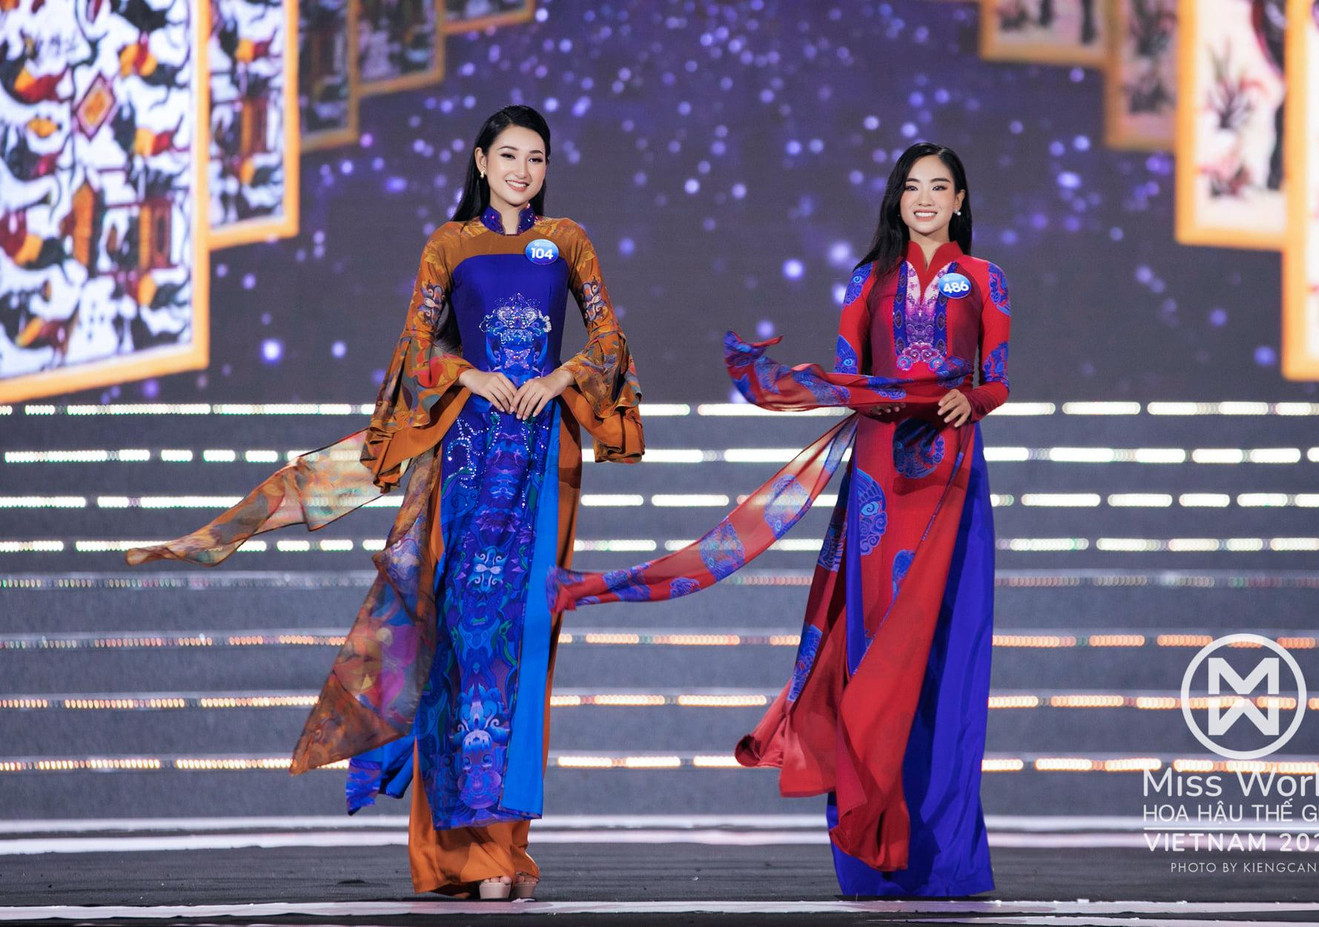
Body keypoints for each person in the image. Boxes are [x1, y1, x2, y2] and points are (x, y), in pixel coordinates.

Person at [128, 105, 644, 900]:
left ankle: (505, 847)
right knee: (460, 643)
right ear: (481, 161)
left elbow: (608, 340)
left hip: (540, 466)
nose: (523, 171)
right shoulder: (449, 244)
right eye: (509, 156)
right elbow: (415, 347)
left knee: (520, 645)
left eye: (536, 158)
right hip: (465, 462)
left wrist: (558, 377)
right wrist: (469, 374)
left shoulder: (566, 240)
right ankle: (461, 854)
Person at [551, 142, 1009, 897]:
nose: (925, 198)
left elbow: (997, 378)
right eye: (912, 186)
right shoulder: (869, 280)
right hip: (881, 474)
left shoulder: (987, 278)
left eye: (939, 186)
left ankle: (945, 858)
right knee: (871, 653)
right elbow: (847, 375)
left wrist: (973, 399)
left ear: (960, 200)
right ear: (896, 200)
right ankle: (872, 853)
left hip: (951, 474)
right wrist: (841, 390)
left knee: (944, 662)